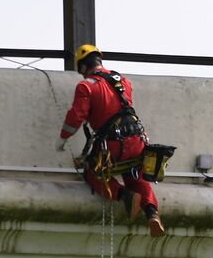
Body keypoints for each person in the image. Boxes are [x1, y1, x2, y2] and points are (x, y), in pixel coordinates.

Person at [58, 44, 166, 237]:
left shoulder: (86, 86)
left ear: (82, 67)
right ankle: (152, 213)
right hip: (138, 142)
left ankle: (125, 196)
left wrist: (63, 139)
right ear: (99, 60)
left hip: (113, 147)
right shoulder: (123, 81)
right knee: (136, 176)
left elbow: (77, 116)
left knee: (93, 174)